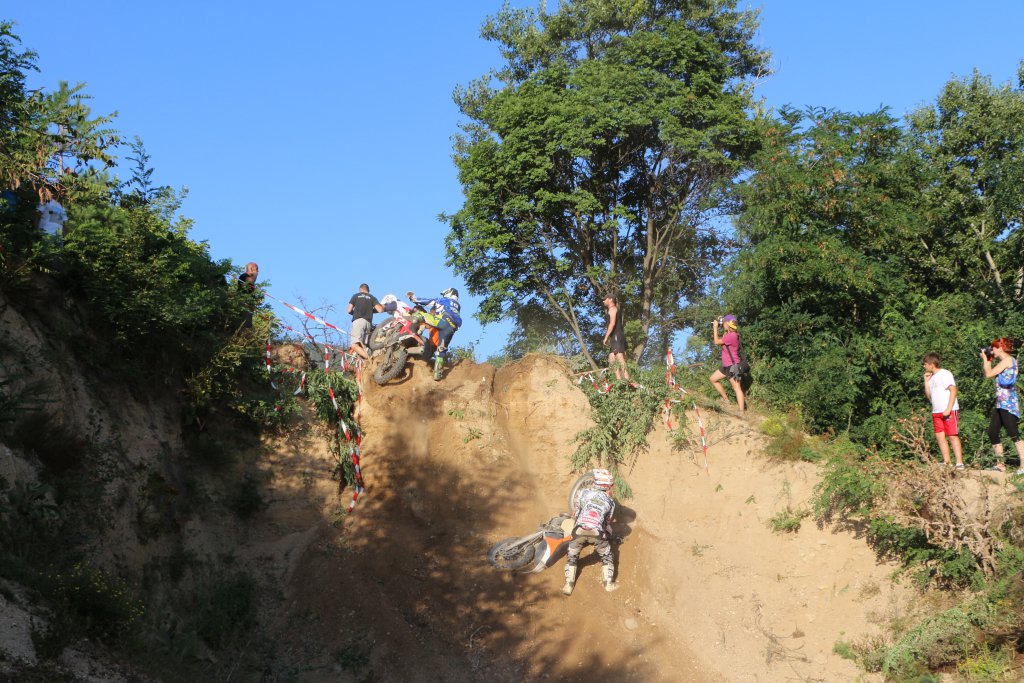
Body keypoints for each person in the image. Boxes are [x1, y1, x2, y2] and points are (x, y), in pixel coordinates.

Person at [562, 468, 619, 595]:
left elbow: (576, 512)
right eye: (611, 484)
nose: (611, 486)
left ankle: (568, 586)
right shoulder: (611, 502)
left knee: (572, 556)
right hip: (597, 533)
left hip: (579, 530)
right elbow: (607, 522)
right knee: (607, 555)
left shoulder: (583, 492)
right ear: (607, 485)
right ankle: (608, 584)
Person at [980, 337, 1024, 474]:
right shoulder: (1006, 361)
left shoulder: (1007, 360)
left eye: (993, 348)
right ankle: (1000, 465)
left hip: (1008, 403)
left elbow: (989, 374)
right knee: (992, 432)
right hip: (1001, 403)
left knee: (1014, 434)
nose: (992, 350)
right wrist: (988, 359)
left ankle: (1023, 465)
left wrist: (985, 359)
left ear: (1000, 348)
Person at [407, 288, 462, 380]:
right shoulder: (458, 306)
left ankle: (415, 318)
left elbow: (430, 301)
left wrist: (414, 299)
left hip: (443, 321)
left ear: (449, 294)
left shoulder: (445, 300)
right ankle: (437, 373)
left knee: (423, 315)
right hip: (452, 328)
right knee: (441, 350)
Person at [922, 352, 964, 469]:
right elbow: (929, 396)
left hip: (948, 411)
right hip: (936, 411)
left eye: (925, 364)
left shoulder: (945, 374)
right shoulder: (931, 378)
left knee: (952, 436)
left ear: (931, 364)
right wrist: (926, 382)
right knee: (940, 437)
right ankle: (947, 462)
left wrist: (948, 409)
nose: (924, 366)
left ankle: (959, 463)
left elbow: (953, 390)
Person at [710, 314, 746, 411]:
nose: (723, 324)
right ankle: (726, 400)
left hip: (732, 366)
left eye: (724, 323)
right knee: (713, 379)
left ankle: (742, 412)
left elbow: (716, 341)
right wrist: (723, 325)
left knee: (737, 388)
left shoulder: (732, 336)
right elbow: (724, 338)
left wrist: (715, 328)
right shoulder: (729, 334)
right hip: (726, 365)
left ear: (728, 324)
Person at [348, 284, 383, 361]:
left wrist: (354, 313)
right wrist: (371, 310)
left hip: (358, 321)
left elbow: (349, 310)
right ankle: (367, 359)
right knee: (363, 345)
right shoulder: (372, 297)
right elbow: (380, 310)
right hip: (368, 324)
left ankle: (369, 359)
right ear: (368, 290)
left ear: (360, 289)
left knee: (354, 345)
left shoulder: (356, 296)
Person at [602, 294, 630, 380]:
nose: (603, 301)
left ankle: (627, 379)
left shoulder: (613, 309)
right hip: (615, 336)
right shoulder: (612, 309)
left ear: (610, 299)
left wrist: (606, 337)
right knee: (611, 358)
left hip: (617, 335)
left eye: (605, 299)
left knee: (619, 356)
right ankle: (619, 380)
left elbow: (612, 323)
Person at [237, 262, 260, 328]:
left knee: (248, 321)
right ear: (251, 268)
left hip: (249, 303)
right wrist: (255, 274)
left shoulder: (247, 277)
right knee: (245, 321)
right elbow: (251, 281)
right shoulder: (244, 276)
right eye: (256, 269)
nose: (258, 271)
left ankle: (246, 330)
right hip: (244, 302)